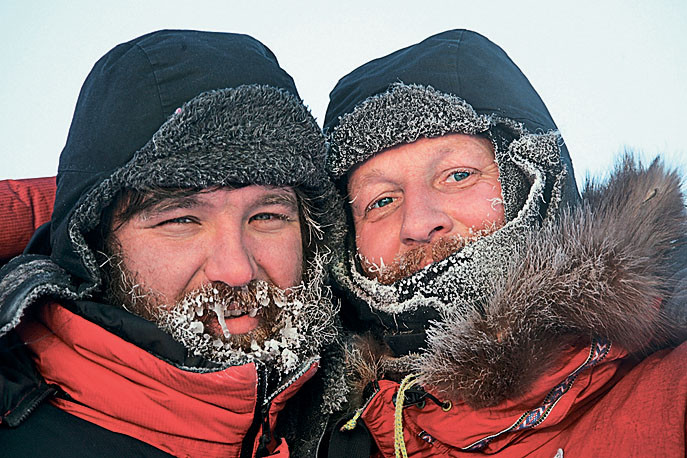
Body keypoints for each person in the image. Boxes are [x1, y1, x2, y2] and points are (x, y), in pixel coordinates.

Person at [322, 29, 687, 457]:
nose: (419, 223)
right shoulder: (325, 431)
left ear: (533, 182)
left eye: (458, 175)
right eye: (382, 200)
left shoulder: (674, 394)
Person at [0, 30, 347, 457]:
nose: (237, 270)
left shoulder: (351, 416)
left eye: (266, 216)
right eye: (181, 220)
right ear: (93, 247)